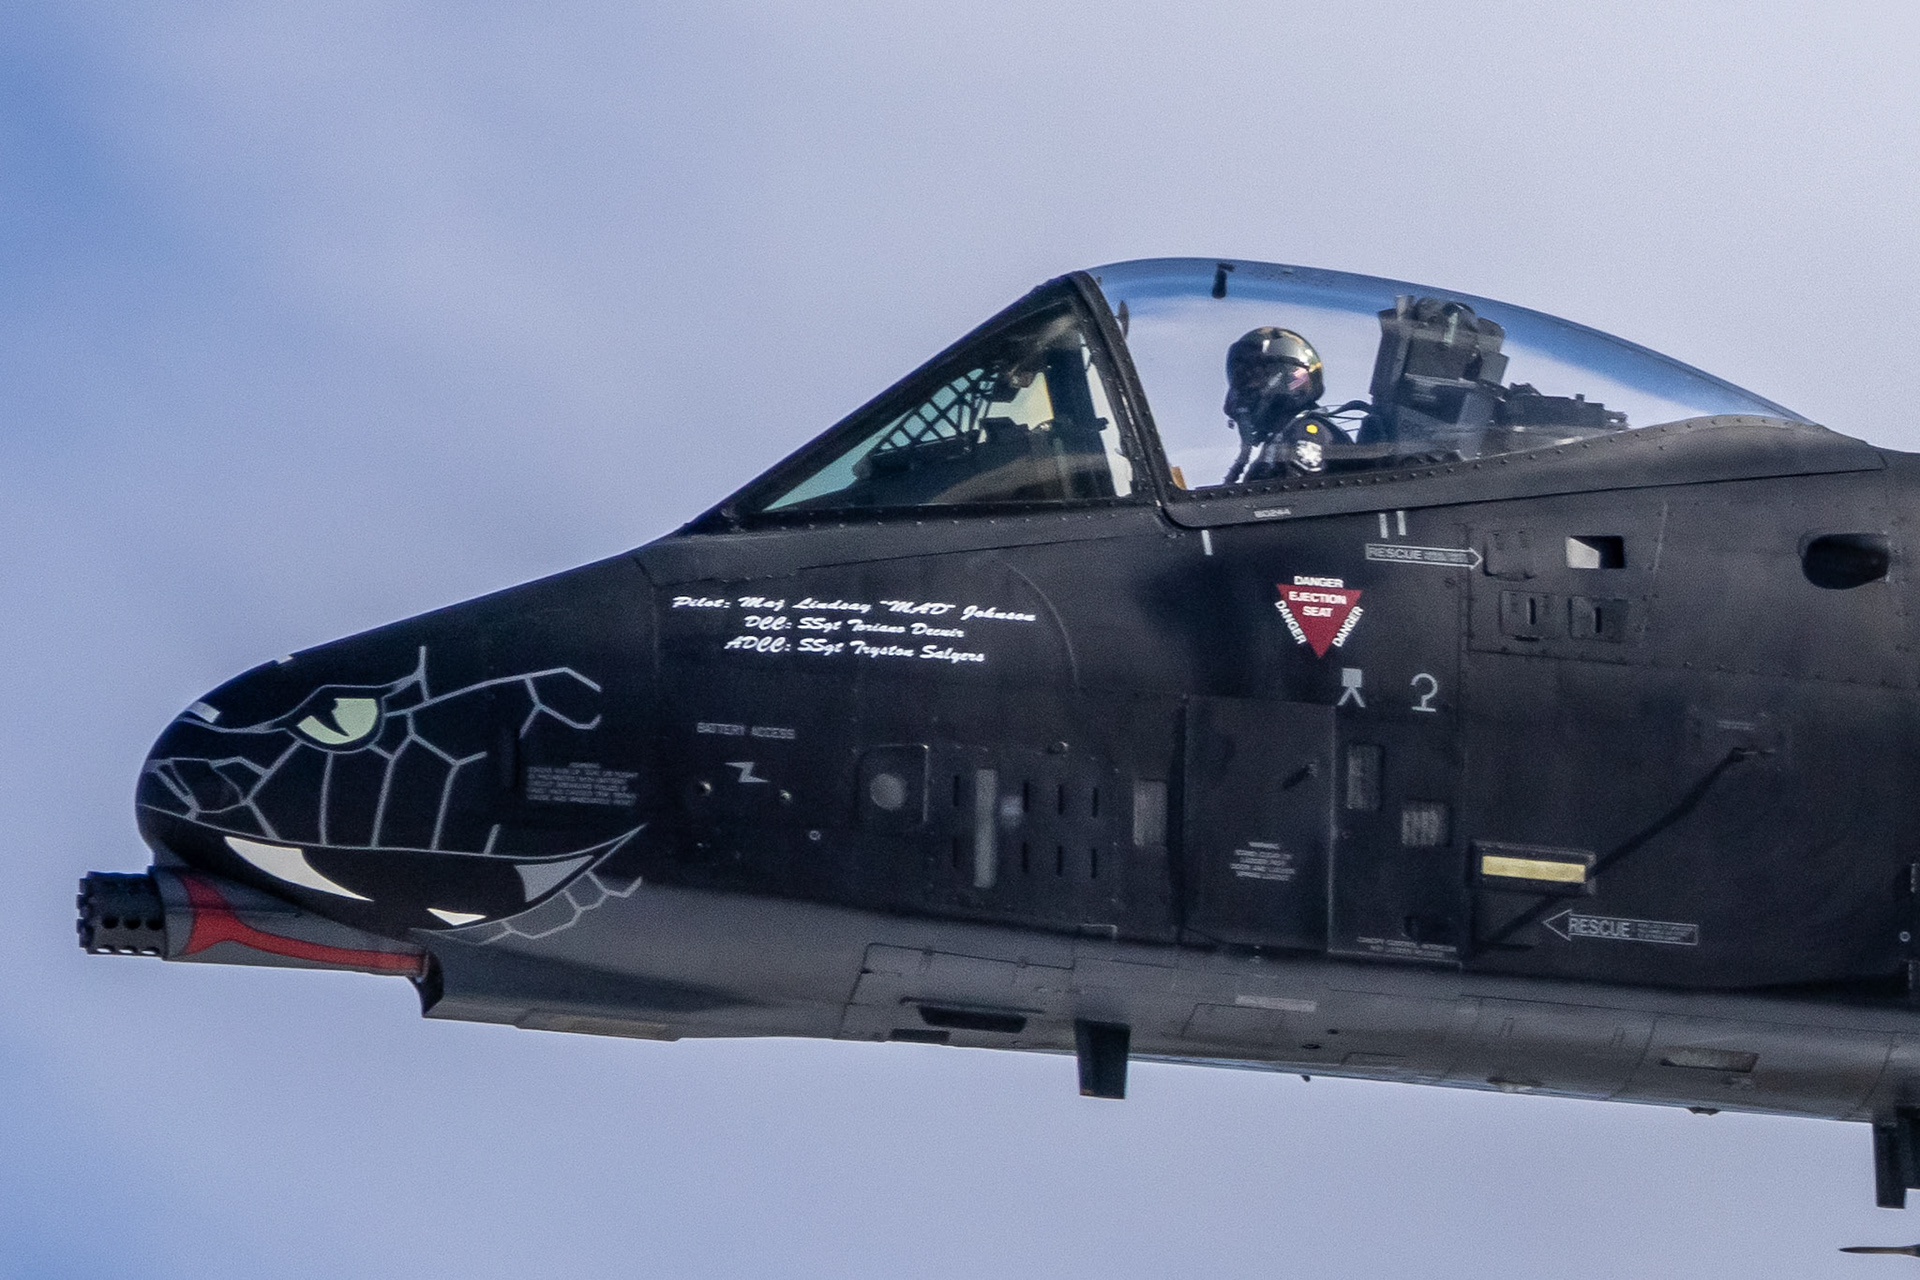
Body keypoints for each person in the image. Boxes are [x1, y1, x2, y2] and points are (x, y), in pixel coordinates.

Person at [1222, 327, 1324, 484]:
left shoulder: (1306, 434)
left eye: (1255, 377)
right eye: (1243, 380)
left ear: (1282, 375)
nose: (1246, 391)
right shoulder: (1277, 444)